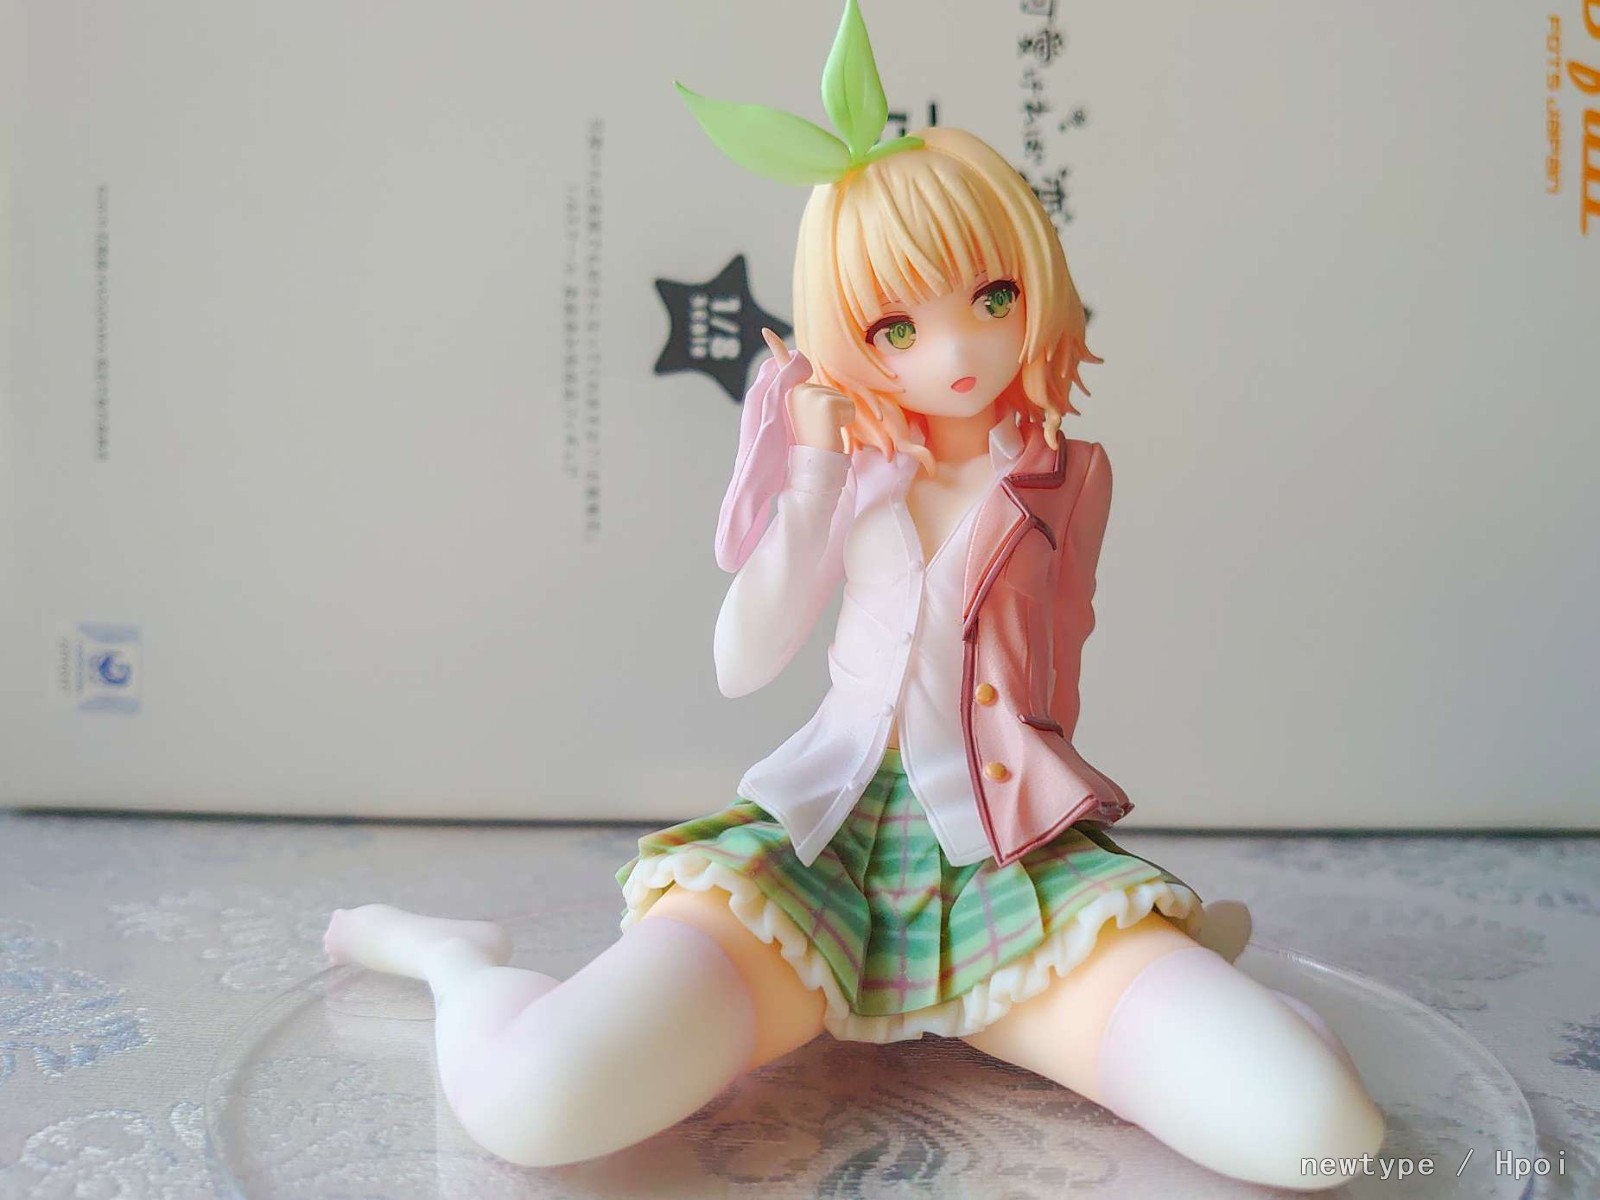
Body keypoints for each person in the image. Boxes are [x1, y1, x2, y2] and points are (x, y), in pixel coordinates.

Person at [322, 2, 1384, 1186]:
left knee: (1322, 1137)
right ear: (848, 333)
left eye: (990, 297)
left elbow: (1054, 674)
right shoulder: (850, 470)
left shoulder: (1070, 478)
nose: (956, 352)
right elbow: (741, 661)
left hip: (1003, 863)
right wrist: (813, 481)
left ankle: (1208, 983)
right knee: (536, 1104)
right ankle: (456, 964)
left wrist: (1094, 874)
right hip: (819, 849)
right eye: (896, 324)